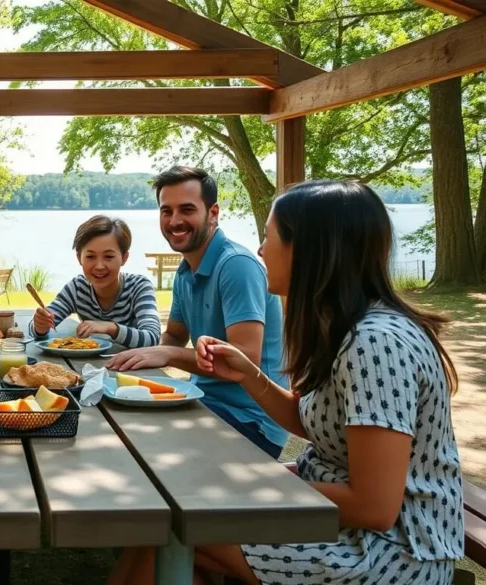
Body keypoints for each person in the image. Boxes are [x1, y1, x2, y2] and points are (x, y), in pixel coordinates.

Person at [111, 179, 464, 585]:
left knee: (176, 523)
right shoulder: (342, 326)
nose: (260, 250)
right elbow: (308, 419)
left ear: (311, 249)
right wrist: (248, 374)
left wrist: (255, 481)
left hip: (388, 551)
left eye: (269, 237)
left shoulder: (375, 343)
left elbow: (374, 507)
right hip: (335, 520)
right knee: (173, 517)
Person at [107, 166, 288, 459]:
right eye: (166, 211)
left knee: (140, 451)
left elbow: (244, 358)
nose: (175, 221)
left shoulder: (236, 265)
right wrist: (137, 360)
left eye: (187, 209)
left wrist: (168, 355)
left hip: (252, 420)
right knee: (116, 422)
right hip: (203, 401)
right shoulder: (184, 272)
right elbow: (175, 336)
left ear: (213, 212)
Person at [30, 215, 161, 348]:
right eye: (90, 256)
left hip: (133, 367)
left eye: (108, 256)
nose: (99, 266)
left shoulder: (139, 287)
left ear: (124, 257)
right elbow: (37, 328)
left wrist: (111, 328)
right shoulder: (77, 288)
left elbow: (153, 337)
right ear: (79, 258)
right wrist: (40, 326)